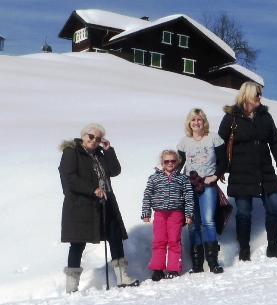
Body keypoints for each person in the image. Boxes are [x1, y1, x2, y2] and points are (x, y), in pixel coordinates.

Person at [59, 123, 139, 293]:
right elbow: (70, 178)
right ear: (83, 135)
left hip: (105, 202)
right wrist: (92, 189)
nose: (94, 141)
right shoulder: (71, 152)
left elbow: (115, 170)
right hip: (81, 205)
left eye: (98, 138)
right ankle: (71, 287)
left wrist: (108, 150)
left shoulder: (99, 154)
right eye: (91, 136)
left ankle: (123, 277)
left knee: (115, 236)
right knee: (78, 242)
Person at [218, 82, 277, 261]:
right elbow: (220, 144)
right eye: (256, 94)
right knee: (244, 212)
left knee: (274, 207)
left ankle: (273, 247)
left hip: (265, 169)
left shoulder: (265, 116)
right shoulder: (231, 117)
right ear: (247, 95)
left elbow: (275, 141)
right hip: (240, 170)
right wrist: (221, 169)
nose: (259, 97)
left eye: (260, 93)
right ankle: (244, 250)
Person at [177, 108, 227, 273]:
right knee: (193, 224)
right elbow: (179, 165)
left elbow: (223, 161)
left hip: (207, 185)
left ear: (203, 121)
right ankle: (197, 264)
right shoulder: (184, 142)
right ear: (189, 123)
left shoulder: (213, 138)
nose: (196, 123)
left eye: (199, 120)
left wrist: (215, 176)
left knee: (208, 221)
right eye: (193, 120)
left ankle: (213, 262)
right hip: (190, 185)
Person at [141, 150, 194, 281]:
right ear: (162, 163)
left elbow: (189, 197)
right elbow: (147, 196)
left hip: (176, 213)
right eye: (167, 161)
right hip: (159, 213)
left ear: (177, 162)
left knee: (174, 240)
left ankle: (173, 268)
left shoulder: (182, 178)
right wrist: (146, 213)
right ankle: (158, 269)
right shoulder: (154, 178)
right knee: (159, 240)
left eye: (173, 161)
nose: (170, 163)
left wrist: (189, 213)